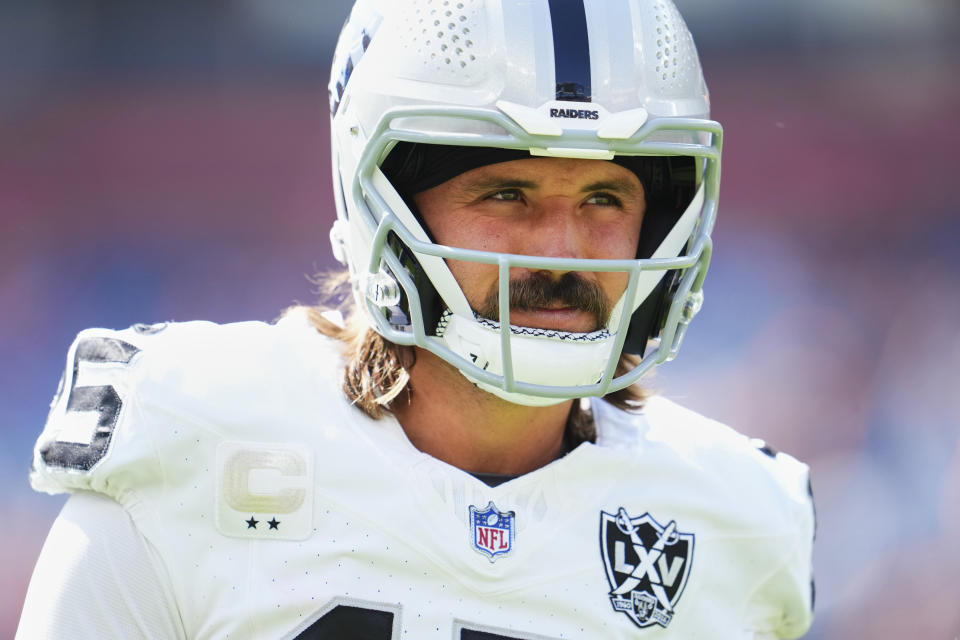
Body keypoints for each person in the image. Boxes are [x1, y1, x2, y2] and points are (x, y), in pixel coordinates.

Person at [18, 1, 815, 638]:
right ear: (386, 207)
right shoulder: (189, 452)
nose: (564, 251)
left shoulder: (735, 523)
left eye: (604, 199)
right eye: (507, 194)